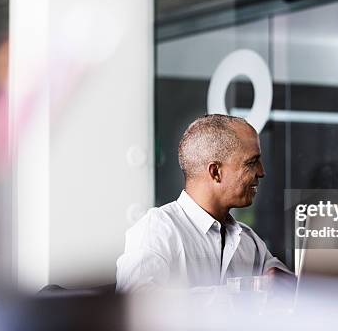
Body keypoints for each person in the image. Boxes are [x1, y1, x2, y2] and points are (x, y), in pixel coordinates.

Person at [116, 114, 293, 292]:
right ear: (215, 172)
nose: (261, 172)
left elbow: (295, 291)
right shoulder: (157, 231)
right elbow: (137, 308)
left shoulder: (249, 242)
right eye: (252, 162)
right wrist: (240, 294)